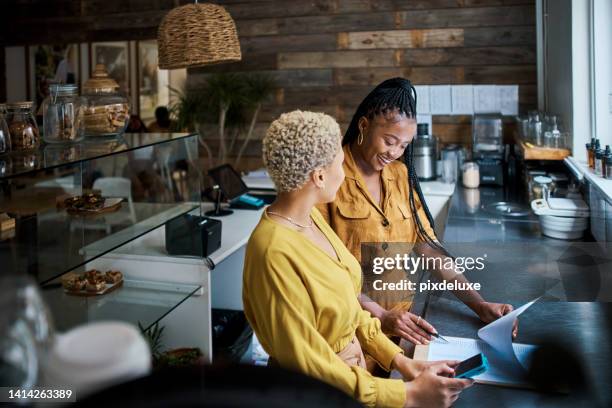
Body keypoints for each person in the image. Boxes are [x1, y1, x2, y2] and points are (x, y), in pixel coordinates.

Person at [242, 110, 473, 408]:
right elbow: (310, 364)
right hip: (315, 395)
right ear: (320, 176)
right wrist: (408, 395)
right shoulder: (272, 251)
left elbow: (349, 309)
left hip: (351, 382)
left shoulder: (309, 218)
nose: (345, 172)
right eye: (340, 163)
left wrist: (403, 362)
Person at [316, 78, 517, 348]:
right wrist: (382, 315)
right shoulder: (329, 177)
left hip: (402, 326)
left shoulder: (400, 175)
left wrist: (479, 305)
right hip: (349, 334)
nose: (395, 152)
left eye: (404, 145)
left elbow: (429, 250)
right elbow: (324, 272)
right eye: (389, 141)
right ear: (364, 125)